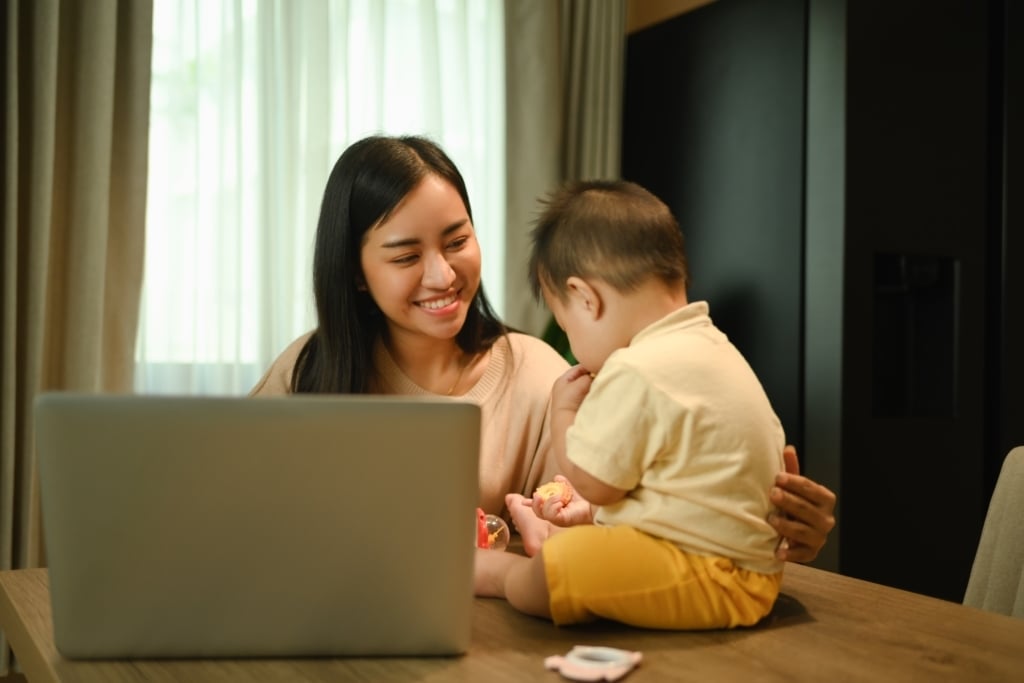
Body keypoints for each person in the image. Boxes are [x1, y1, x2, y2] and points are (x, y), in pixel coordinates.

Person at [250, 134, 836, 560]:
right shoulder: (310, 369)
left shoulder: (542, 376)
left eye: (457, 241)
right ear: (355, 273)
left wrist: (773, 526)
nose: (442, 275)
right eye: (406, 256)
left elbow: (633, 532)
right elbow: (228, 506)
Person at [475, 179, 797, 629]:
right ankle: (541, 537)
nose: (573, 342)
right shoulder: (712, 349)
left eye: (566, 325)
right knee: (585, 545)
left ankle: (500, 573)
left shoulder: (636, 367)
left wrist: (562, 414)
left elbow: (596, 484)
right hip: (750, 569)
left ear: (586, 299)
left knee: (554, 570)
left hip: (705, 573)